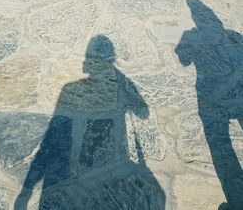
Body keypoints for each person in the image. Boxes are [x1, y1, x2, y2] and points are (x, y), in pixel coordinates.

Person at [14, 35, 165, 209]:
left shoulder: (69, 88)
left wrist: (28, 188)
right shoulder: (76, 88)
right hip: (102, 163)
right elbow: (143, 112)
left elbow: (48, 140)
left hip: (90, 163)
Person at [175, 0, 243, 210]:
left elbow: (183, 60)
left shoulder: (192, 36)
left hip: (211, 94)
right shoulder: (233, 36)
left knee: (219, 141)